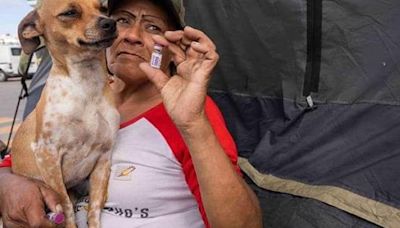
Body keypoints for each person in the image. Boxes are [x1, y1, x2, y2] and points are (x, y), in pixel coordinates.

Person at [0, 0, 262, 227]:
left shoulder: (189, 113)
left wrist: (193, 124)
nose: (131, 35)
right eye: (121, 20)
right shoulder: (72, 97)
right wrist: (7, 185)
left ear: (173, 48)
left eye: (152, 27)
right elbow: (21, 158)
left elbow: (243, 224)